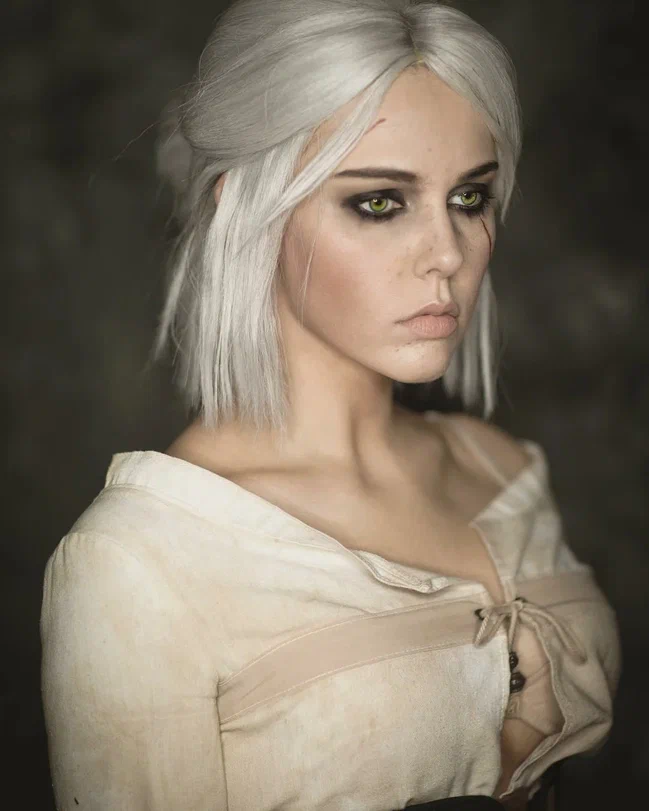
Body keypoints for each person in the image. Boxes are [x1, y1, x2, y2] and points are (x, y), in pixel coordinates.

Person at [40, 1, 621, 809]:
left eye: (469, 197)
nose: (447, 254)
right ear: (244, 207)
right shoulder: (140, 563)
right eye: (379, 201)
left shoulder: (504, 469)